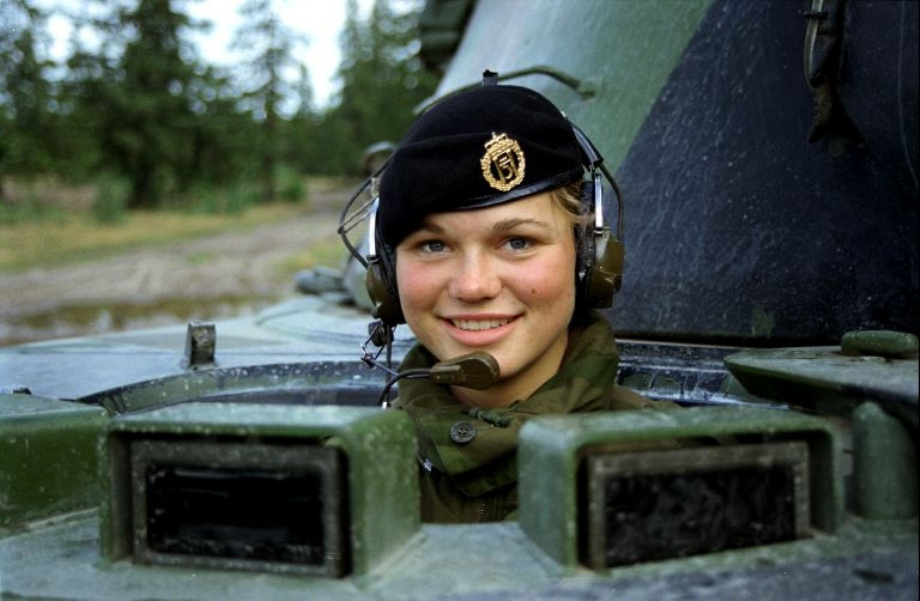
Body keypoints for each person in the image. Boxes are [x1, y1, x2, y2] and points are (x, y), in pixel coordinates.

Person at [366, 76, 661, 523]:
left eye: (518, 242)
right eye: (433, 245)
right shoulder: (343, 474)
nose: (473, 286)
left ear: (587, 256)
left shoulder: (679, 463)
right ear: (386, 273)